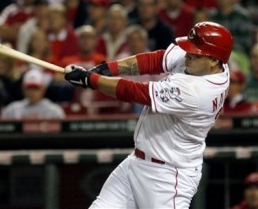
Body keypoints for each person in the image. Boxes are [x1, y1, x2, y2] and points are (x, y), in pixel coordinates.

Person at [64, 21, 233, 208]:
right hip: (136, 164)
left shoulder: (198, 92)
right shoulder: (212, 64)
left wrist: (91, 80)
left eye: (195, 53)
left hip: (168, 178)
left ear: (214, 61)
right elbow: (156, 60)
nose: (187, 55)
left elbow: (135, 92)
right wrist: (108, 69)